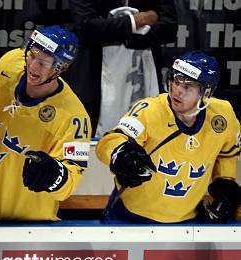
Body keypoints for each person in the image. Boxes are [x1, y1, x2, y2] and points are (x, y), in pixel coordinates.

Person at [0, 26, 91, 221]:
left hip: (27, 221)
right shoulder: (9, 65)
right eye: (32, 55)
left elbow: (70, 182)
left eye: (44, 62)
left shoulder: (75, 117)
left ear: (61, 67)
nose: (33, 66)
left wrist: (56, 176)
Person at [96, 51, 240, 223]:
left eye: (187, 86)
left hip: (188, 222)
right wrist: (121, 154)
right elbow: (111, 141)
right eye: (176, 81)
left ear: (206, 93)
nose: (177, 90)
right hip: (130, 218)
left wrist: (225, 181)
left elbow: (227, 153)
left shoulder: (222, 116)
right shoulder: (148, 111)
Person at [67, 0, 177, 135]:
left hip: (143, 72)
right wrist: (137, 20)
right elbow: (86, 26)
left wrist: (130, 38)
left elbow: (170, 27)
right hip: (95, 74)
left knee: (147, 132)